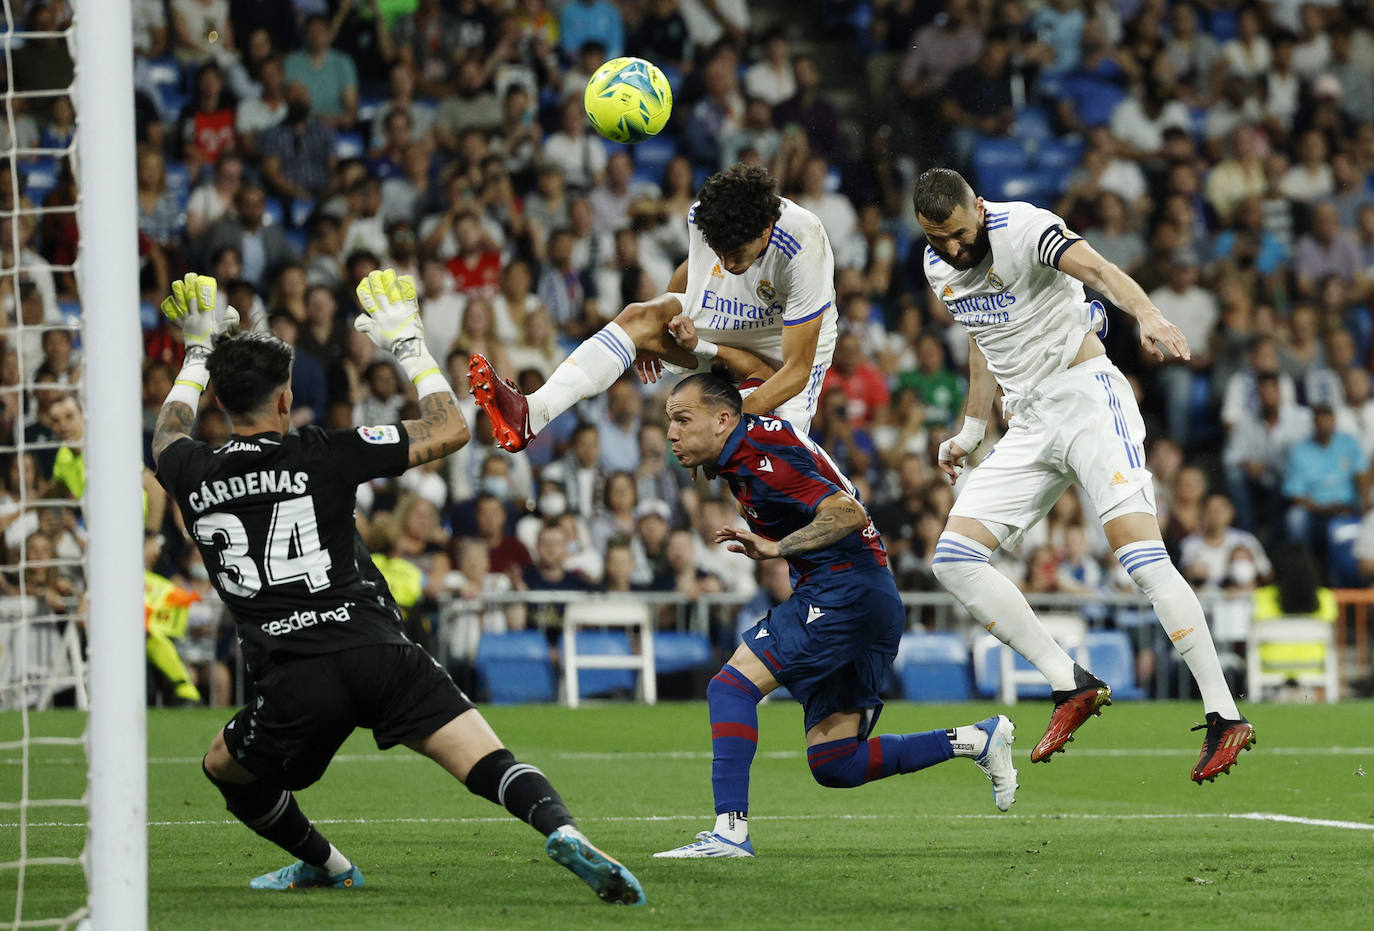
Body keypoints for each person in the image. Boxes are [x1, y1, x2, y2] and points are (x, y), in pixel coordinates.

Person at [151, 271, 643, 904]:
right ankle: (561, 828)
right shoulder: (323, 452)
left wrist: (195, 353)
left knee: (224, 764)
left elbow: (167, 434)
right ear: (283, 402)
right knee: (483, 756)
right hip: (377, 647)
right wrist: (409, 342)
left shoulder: (190, 468)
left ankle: (327, 865)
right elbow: (449, 428)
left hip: (292, 674)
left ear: (220, 404)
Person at [913, 167, 1254, 784]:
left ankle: (1224, 713)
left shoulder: (1023, 226)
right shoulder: (940, 268)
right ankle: (1070, 683)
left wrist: (1146, 314)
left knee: (1142, 558)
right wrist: (969, 429)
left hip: (1088, 398)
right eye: (941, 240)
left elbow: (1095, 270)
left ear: (980, 207)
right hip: (1028, 421)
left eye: (962, 234)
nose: (955, 249)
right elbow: (982, 338)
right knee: (954, 559)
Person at [652, 373, 1016, 859]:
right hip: (863, 596)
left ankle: (729, 832)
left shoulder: (764, 459)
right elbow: (744, 363)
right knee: (836, 763)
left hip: (845, 590)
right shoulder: (745, 438)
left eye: (682, 419)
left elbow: (847, 512)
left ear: (723, 420)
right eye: (669, 421)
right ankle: (977, 739)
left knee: (730, 686)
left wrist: (777, 547)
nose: (671, 433)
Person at [467, 164, 838, 451]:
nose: (726, 263)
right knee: (638, 316)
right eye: (720, 252)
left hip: (783, 351)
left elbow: (797, 370)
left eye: (736, 255)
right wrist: (655, 332)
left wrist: (731, 425)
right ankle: (532, 413)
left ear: (766, 229)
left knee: (765, 481)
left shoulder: (803, 241)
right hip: (729, 321)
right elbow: (692, 272)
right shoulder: (705, 217)